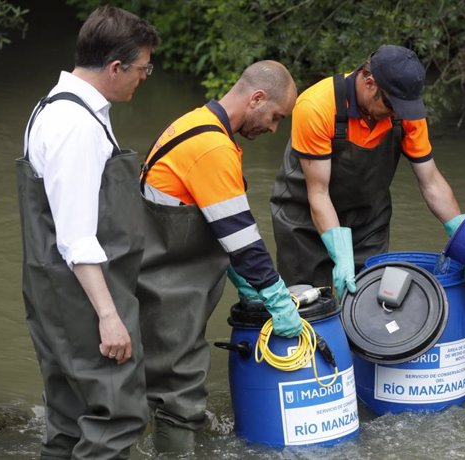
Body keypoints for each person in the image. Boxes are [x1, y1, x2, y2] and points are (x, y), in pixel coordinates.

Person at [136, 60, 302, 454]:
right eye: (276, 117)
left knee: (156, 383)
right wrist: (276, 297)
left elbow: (212, 222)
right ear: (257, 98)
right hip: (166, 287)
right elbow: (243, 241)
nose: (275, 128)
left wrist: (245, 284)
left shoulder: (193, 123)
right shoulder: (213, 147)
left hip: (154, 275)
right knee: (178, 387)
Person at [17, 6, 160, 458]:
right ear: (115, 67)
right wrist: (109, 315)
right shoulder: (76, 126)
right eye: (142, 68)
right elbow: (76, 236)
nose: (144, 77)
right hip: (85, 296)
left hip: (52, 292)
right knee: (115, 419)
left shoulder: (53, 107)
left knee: (67, 420)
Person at [270, 44, 465, 298]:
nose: (397, 113)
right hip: (304, 220)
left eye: (404, 107)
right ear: (369, 82)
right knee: (309, 305)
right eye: (391, 104)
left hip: (368, 220)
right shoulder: (316, 107)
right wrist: (342, 256)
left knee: (368, 302)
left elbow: (430, 181)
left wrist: (461, 236)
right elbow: (318, 193)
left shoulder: (405, 111)